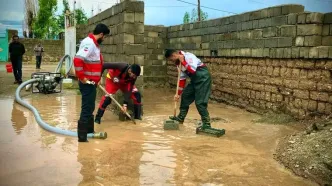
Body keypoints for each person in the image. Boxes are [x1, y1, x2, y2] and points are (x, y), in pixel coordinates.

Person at [73, 23, 110, 142]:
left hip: (92, 83)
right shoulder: (89, 43)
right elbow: (77, 60)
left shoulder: (94, 44)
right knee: (86, 108)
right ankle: (82, 138)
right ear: (101, 34)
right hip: (87, 83)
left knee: (90, 107)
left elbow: (93, 64)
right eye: (104, 37)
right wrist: (83, 78)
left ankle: (89, 132)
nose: (104, 39)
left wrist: (96, 80)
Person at [165, 49, 212, 130]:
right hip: (194, 80)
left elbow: (192, 70)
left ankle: (206, 123)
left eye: (171, 59)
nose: (172, 61)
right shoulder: (178, 64)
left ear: (174, 55)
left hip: (203, 78)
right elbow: (182, 79)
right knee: (186, 96)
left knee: (200, 102)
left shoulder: (188, 56)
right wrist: (178, 94)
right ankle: (180, 118)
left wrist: (183, 61)